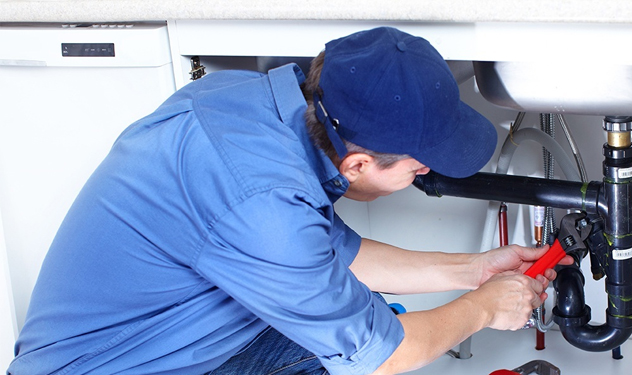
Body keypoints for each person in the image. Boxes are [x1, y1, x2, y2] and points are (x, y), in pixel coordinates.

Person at [8, 27, 568, 375]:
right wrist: (486, 308)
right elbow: (383, 357)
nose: (427, 171)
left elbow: (334, 256)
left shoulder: (249, 102)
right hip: (121, 368)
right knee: (373, 349)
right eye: (419, 165)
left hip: (177, 344)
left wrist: (473, 271)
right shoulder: (264, 205)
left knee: (353, 331)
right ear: (357, 165)